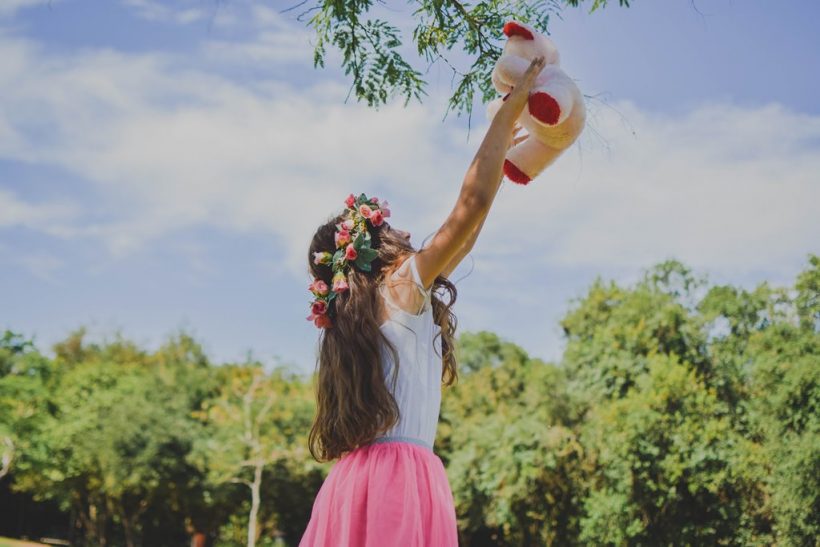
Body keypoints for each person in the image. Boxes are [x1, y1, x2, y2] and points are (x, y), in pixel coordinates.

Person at [298, 55, 547, 547]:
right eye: (388, 228)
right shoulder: (401, 286)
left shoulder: (372, 312)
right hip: (399, 481)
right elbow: (467, 211)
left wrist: (502, 161)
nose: (402, 230)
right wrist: (507, 111)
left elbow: (467, 233)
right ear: (373, 246)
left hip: (356, 485)